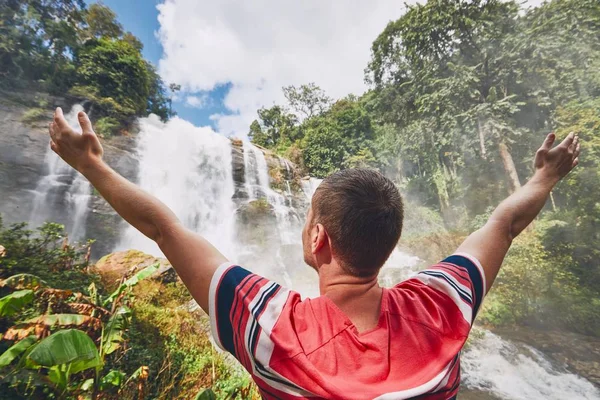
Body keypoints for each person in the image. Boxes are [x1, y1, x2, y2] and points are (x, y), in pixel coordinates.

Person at [48, 107, 580, 400]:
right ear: (389, 242)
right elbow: (503, 224)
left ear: (317, 239)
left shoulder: (270, 326)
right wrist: (546, 174)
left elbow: (164, 228)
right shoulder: (441, 304)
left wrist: (93, 165)